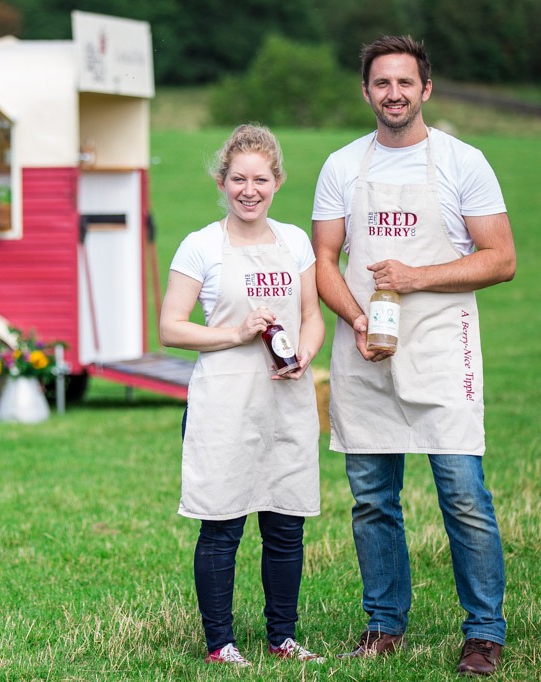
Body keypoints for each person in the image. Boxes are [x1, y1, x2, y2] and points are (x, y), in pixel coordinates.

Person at [311, 35, 516, 676]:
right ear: (366, 91)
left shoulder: (463, 162)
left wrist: (413, 276)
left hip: (439, 349)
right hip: (363, 351)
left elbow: (501, 260)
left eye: (405, 82)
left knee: (463, 495)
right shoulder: (342, 166)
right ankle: (383, 625)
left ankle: (483, 632)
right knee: (373, 498)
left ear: (425, 89)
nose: (393, 94)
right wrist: (356, 317)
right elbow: (323, 260)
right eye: (381, 83)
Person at [160, 124, 326, 667]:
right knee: (222, 525)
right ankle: (220, 644)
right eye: (237, 179)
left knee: (284, 525)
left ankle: (283, 638)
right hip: (224, 403)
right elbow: (172, 328)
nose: (248, 189)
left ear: (276, 182)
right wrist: (234, 333)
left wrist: (304, 353)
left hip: (286, 400)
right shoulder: (200, 246)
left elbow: (310, 317)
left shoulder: (295, 242)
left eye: (259, 179)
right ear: (222, 181)